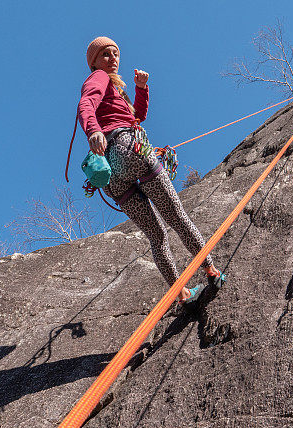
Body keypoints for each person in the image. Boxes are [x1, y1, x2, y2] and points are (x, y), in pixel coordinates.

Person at [77, 36, 224, 306]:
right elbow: (86, 104)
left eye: (115, 53)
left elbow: (136, 117)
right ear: (94, 62)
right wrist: (93, 130)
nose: (113, 58)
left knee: (157, 236)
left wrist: (140, 88)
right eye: (105, 54)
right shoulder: (97, 78)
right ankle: (211, 271)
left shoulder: (114, 88)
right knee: (177, 217)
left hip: (112, 177)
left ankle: (182, 295)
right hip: (127, 151)